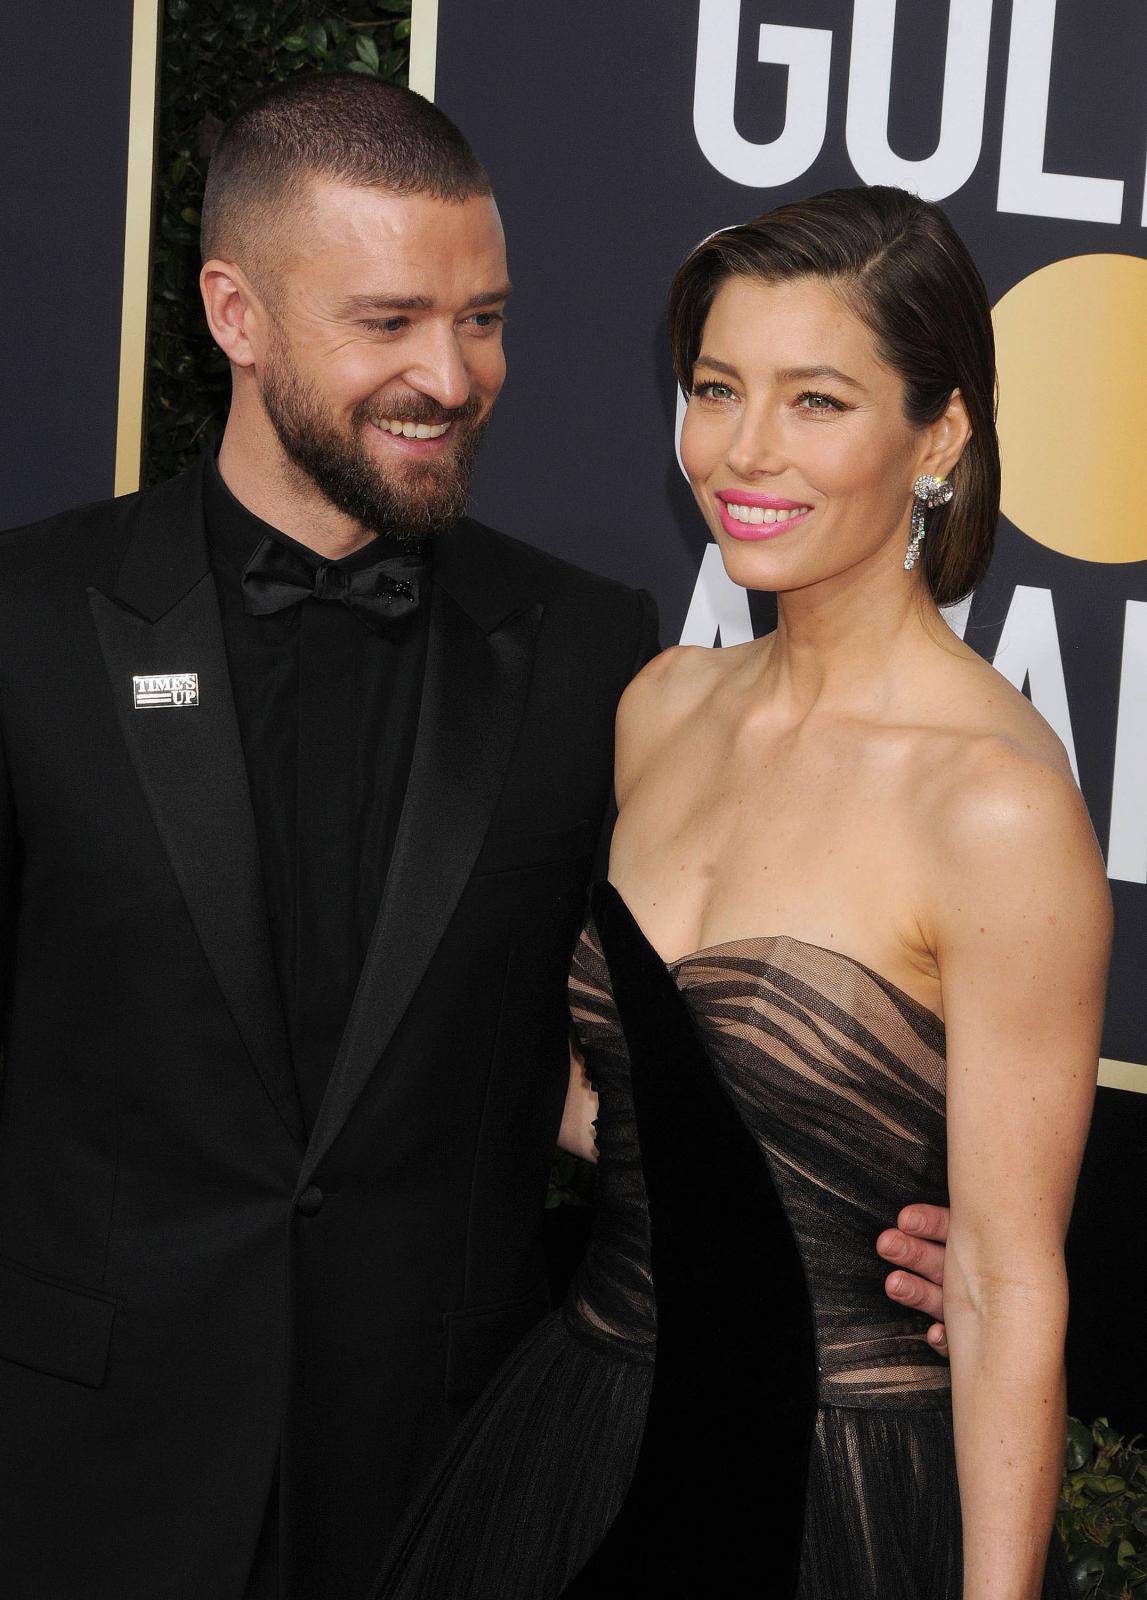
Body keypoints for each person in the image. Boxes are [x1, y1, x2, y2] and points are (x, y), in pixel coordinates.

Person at [0, 77, 947, 1600]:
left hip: (450, 1483)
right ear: (234, 314)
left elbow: (622, 1065)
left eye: (484, 317)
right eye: (387, 322)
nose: (451, 374)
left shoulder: (588, 654)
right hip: (79, 1477)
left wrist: (863, 1233)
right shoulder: (29, 624)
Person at [370, 186, 1109, 1600]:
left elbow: (1010, 1287)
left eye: (818, 400)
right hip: (584, 1425)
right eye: (716, 389)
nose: (744, 450)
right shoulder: (663, 707)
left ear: (938, 433)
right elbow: (624, 1100)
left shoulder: (994, 803)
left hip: (826, 1481)